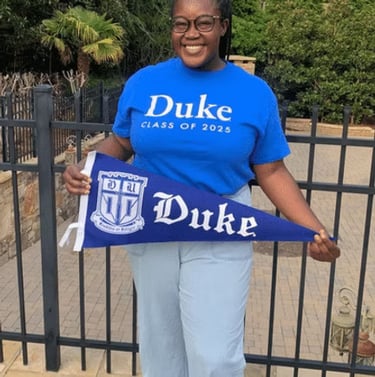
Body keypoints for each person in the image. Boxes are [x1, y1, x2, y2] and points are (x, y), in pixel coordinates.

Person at [63, 0, 340, 376]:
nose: (191, 33)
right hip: (150, 227)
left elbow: (272, 171)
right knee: (161, 347)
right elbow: (122, 144)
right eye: (181, 23)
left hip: (219, 229)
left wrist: (313, 229)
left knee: (215, 356)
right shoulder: (144, 83)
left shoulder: (254, 93)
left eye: (203, 22)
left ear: (222, 26)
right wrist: (86, 165)